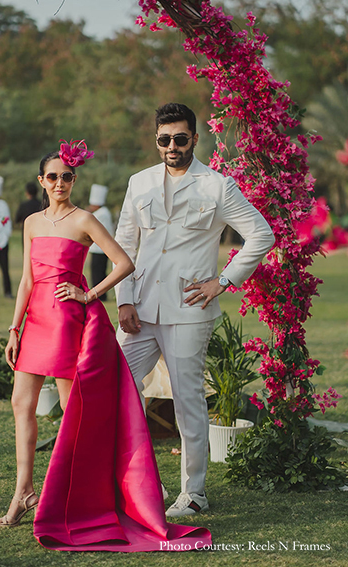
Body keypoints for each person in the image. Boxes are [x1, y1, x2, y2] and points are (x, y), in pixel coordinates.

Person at [0, 138, 211, 553]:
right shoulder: (31, 222)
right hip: (33, 322)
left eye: (68, 176)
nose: (61, 182)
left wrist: (88, 295)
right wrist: (13, 328)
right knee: (21, 407)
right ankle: (23, 493)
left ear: (74, 180)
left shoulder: (84, 220)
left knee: (71, 418)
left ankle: (72, 499)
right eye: (53, 176)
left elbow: (125, 262)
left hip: (64, 323)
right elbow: (24, 280)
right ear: (42, 180)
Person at [115, 103, 275, 519]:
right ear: (156, 140)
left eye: (180, 139)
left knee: (187, 401)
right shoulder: (139, 183)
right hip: (140, 309)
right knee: (116, 388)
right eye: (164, 139)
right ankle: (143, 481)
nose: (172, 146)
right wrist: (124, 299)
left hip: (189, 309)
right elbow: (124, 244)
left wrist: (223, 280)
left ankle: (194, 493)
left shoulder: (218, 186)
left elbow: (262, 233)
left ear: (194, 139)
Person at [87, 183, 114, 301]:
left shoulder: (102, 213)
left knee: (99, 272)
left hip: (100, 249)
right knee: (96, 272)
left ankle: (101, 294)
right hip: (97, 248)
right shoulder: (102, 212)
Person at [15, 181, 42, 248]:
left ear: (27, 193)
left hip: (26, 233)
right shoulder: (42, 205)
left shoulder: (23, 205)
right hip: (40, 233)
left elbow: (17, 219)